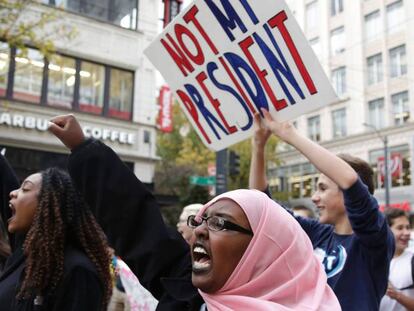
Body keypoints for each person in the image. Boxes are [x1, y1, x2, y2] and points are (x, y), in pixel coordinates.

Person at [49, 114, 341, 311]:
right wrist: (83, 148)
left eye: (220, 223)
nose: (200, 229)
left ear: (262, 252)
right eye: (199, 220)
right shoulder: (187, 294)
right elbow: (138, 225)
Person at [249, 110, 395, 310]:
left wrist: (288, 133)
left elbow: (349, 179)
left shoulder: (373, 239)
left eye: (323, 188)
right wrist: (258, 146)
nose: (313, 197)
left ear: (348, 195)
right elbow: (261, 204)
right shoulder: (317, 233)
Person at [0, 155, 112, 310]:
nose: (13, 192)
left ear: (50, 206)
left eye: (25, 188)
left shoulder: (78, 271)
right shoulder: (25, 256)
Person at [380, 209, 414, 311]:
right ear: (387, 230)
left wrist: (396, 295)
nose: (407, 232)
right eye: (400, 228)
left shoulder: (411, 260)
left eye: (408, 227)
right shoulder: (373, 260)